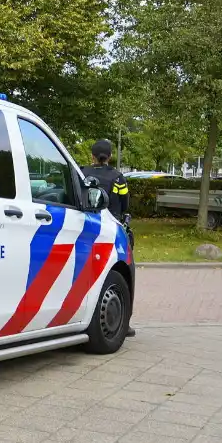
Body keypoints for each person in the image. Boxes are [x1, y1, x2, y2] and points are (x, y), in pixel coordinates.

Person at [82, 138, 134, 337]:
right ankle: (123, 323)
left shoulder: (83, 173)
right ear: (110, 156)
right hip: (112, 229)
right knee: (119, 274)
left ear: (92, 156)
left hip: (87, 227)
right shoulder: (118, 178)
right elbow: (125, 202)